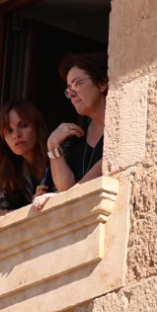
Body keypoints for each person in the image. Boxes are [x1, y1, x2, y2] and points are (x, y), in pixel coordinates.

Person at [33, 52, 108, 208]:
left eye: (77, 84)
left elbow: (107, 162)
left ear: (102, 83)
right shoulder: (77, 139)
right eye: (69, 89)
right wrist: (52, 145)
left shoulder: (121, 128)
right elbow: (65, 189)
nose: (72, 94)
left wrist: (62, 197)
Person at [0, 99, 48, 220]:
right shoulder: (14, 174)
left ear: (37, 127)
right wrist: (24, 211)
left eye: (23, 126)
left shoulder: (58, 153)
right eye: (9, 131)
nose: (16, 135)